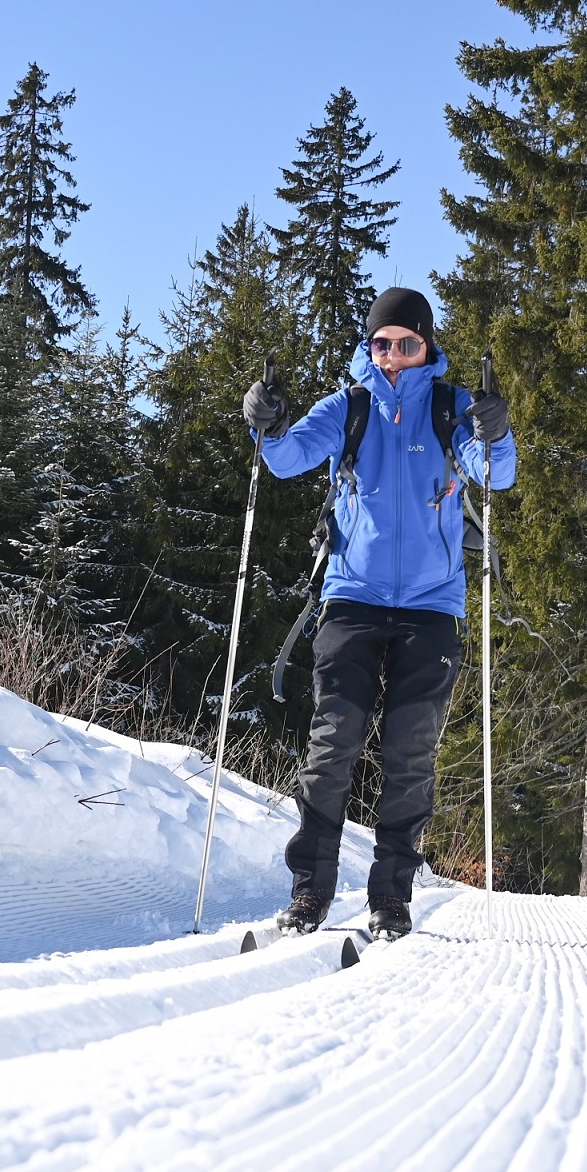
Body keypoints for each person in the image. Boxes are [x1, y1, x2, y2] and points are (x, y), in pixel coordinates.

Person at [241, 287, 515, 942]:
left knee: (409, 754)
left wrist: (495, 431)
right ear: (370, 348)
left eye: (407, 344)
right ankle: (310, 894)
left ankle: (390, 899)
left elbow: (494, 476)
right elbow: (285, 460)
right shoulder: (350, 407)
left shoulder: (451, 409)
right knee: (332, 747)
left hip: (431, 606)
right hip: (352, 598)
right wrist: (267, 422)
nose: (393, 355)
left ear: (426, 348)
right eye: (382, 343)